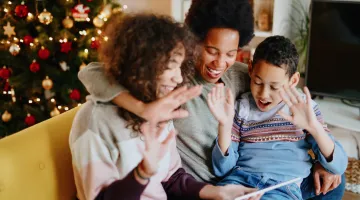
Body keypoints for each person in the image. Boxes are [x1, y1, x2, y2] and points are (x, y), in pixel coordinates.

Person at [77, 0, 346, 199]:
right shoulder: (170, 81)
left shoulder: (243, 76)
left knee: (336, 181)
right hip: (215, 183)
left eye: (231, 53)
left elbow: (280, 87)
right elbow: (92, 71)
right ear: (192, 41)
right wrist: (145, 109)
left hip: (257, 181)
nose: (221, 63)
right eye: (211, 50)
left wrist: (325, 158)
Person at [69, 13, 262, 200]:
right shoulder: (95, 121)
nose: (178, 78)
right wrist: (142, 174)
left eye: (179, 67)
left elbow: (171, 177)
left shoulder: (160, 109)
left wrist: (217, 192)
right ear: (141, 66)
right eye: (170, 67)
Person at [207, 35, 348, 199]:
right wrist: (224, 127)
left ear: (293, 80)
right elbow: (223, 170)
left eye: (274, 87)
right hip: (240, 182)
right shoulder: (241, 107)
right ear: (251, 69)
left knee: (337, 181)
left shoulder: (303, 108)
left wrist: (314, 128)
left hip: (282, 187)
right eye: (258, 82)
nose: (263, 94)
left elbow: (339, 165)